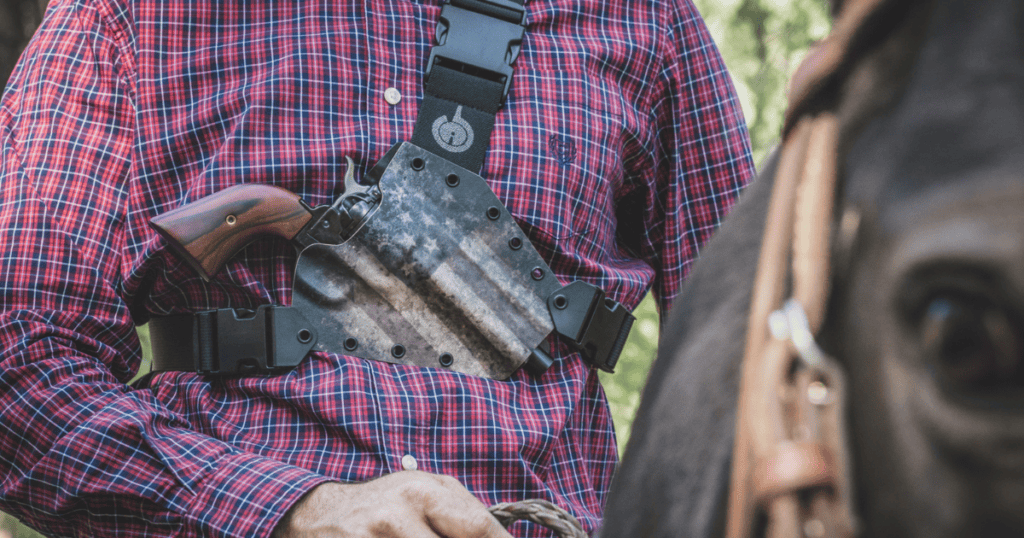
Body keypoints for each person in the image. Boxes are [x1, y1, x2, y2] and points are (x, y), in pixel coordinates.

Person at [0, 0, 754, 536]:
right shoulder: (126, 18)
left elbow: (760, 369)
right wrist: (288, 510)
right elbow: (18, 357)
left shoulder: (644, 20)